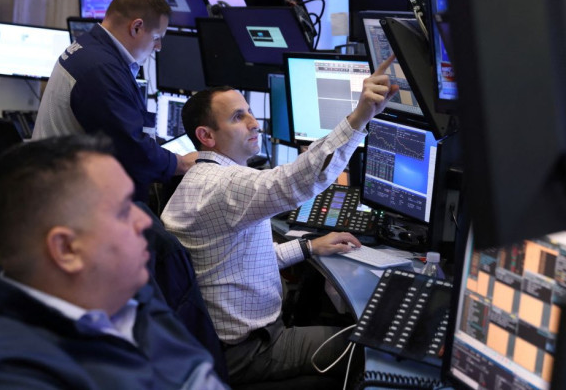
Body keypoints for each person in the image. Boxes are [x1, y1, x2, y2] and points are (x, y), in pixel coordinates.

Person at [161, 56, 399, 384]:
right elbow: (294, 182)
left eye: (249, 112)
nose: (254, 123)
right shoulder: (222, 185)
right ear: (207, 135)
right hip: (252, 351)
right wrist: (360, 118)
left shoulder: (205, 180)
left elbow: (243, 262)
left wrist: (308, 246)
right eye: (237, 117)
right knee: (369, 346)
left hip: (224, 344)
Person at [0, 134, 228, 389]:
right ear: (66, 249)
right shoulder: (1, 374)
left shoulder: (128, 294)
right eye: (123, 210)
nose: (145, 221)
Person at [32, 0, 198, 202]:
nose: (158, 47)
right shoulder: (101, 68)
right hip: (69, 198)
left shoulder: (89, 47)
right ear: (137, 27)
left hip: (59, 185)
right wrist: (183, 163)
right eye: (157, 37)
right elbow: (131, 149)